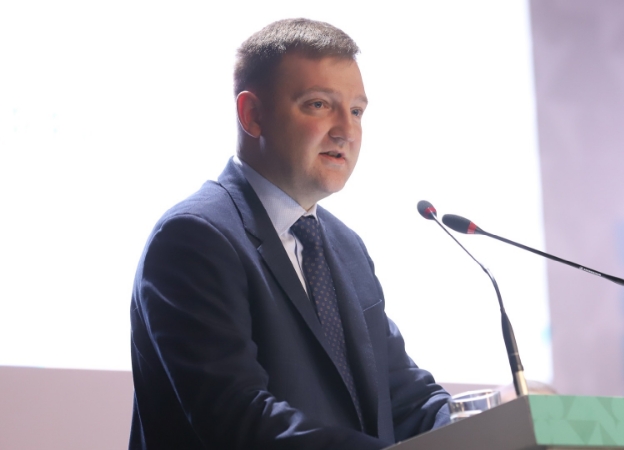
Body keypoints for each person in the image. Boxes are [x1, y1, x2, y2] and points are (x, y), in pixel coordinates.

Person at [128, 18, 451, 450]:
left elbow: (406, 399)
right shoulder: (194, 239)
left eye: (357, 111)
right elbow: (238, 419)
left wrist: (505, 421)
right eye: (319, 104)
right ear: (252, 115)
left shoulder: (346, 247)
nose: (347, 130)